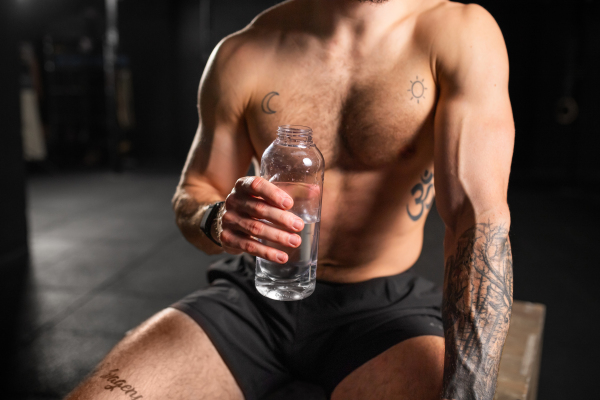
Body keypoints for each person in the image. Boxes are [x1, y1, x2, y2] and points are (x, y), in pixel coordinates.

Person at [66, 0, 514, 399]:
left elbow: (476, 218)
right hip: (253, 298)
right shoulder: (244, 52)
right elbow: (195, 190)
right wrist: (217, 218)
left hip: (383, 311)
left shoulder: (457, 33)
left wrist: (469, 392)